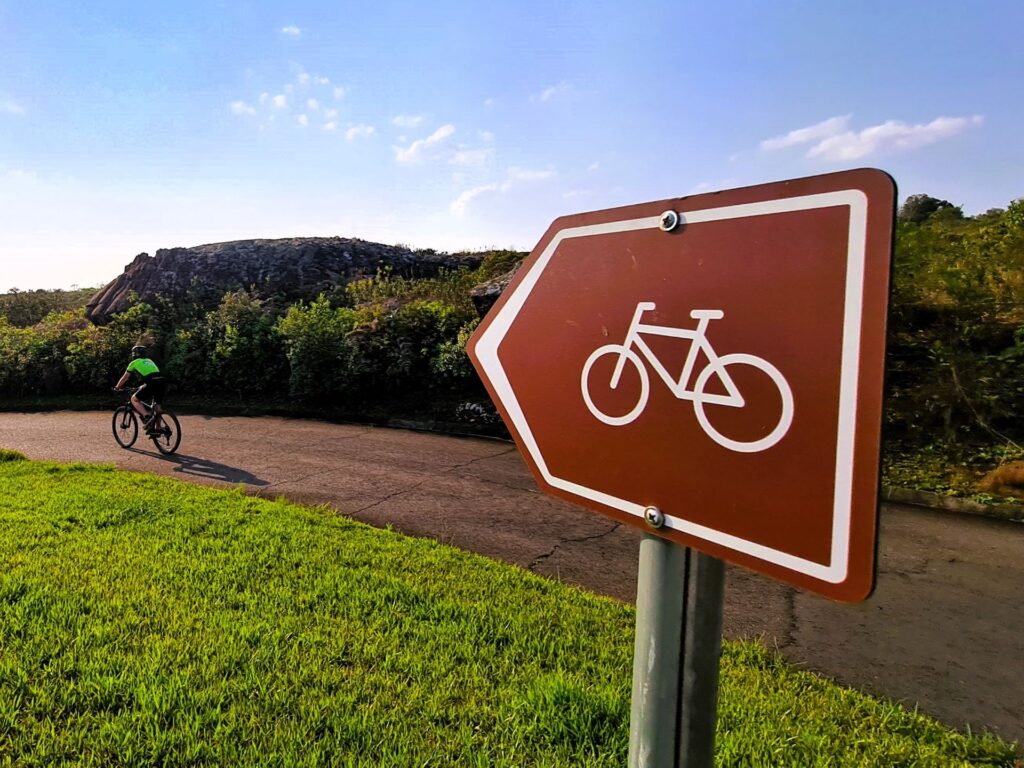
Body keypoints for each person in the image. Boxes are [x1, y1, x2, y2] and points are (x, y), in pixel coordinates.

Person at [114, 345, 170, 436]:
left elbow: (125, 378)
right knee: (157, 407)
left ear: (134, 354)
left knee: (134, 399)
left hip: (151, 382)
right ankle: (158, 429)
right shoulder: (149, 361)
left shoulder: (134, 362)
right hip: (162, 382)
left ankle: (146, 416)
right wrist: (143, 386)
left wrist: (117, 387)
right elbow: (153, 375)